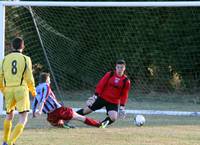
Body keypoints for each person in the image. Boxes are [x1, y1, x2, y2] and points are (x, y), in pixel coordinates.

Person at [32, 72, 109, 129]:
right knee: (79, 117)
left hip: (50, 116)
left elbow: (35, 102)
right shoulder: (46, 86)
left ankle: (65, 125)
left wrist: (33, 113)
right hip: (59, 110)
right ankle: (99, 124)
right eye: (49, 80)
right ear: (46, 80)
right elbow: (43, 99)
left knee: (59, 125)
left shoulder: (36, 89)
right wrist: (40, 110)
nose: (50, 82)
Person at [0, 37, 36, 145]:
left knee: (9, 115)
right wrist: (33, 91)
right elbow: (29, 78)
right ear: (23, 46)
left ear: (12, 46)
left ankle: (5, 141)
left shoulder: (5, 59)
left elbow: (0, 76)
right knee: (23, 118)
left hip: (8, 90)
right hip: (21, 89)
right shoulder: (26, 59)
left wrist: (3, 90)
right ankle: (10, 143)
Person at [76, 59, 131, 126]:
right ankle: (67, 117)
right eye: (118, 67)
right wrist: (95, 96)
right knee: (86, 111)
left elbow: (124, 94)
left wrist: (122, 106)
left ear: (124, 68)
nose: (120, 69)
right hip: (102, 98)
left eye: (122, 67)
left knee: (113, 118)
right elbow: (101, 85)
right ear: (115, 67)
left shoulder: (126, 81)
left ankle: (100, 125)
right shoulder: (110, 74)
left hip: (113, 102)